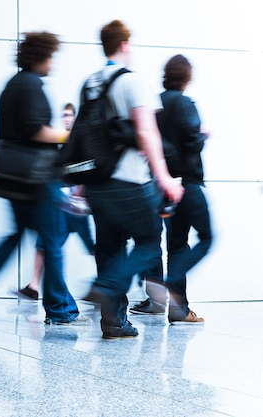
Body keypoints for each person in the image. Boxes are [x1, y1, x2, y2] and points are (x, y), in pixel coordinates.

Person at [0, 31, 88, 325]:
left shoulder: (13, 85)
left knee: (17, 236)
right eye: (51, 57)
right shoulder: (30, 85)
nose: (53, 64)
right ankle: (60, 310)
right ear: (41, 56)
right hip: (37, 180)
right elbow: (35, 130)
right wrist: (69, 136)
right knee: (53, 241)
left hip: (15, 179)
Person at [82, 20, 183, 339]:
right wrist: (164, 175)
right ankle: (107, 285)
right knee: (149, 239)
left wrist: (84, 180)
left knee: (108, 247)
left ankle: (113, 321)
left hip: (97, 181)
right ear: (125, 44)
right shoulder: (134, 81)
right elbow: (146, 131)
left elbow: (84, 135)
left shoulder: (90, 82)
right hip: (128, 180)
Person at [18, 103, 95, 301]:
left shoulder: (81, 140)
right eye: (64, 115)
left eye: (69, 115)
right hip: (63, 204)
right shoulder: (61, 141)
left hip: (77, 207)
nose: (66, 119)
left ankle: (107, 284)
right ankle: (34, 286)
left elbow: (88, 168)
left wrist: (79, 193)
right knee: (46, 244)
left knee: (91, 246)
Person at [159, 54, 211, 324]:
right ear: (187, 78)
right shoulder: (185, 103)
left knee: (176, 245)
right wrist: (203, 135)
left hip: (166, 187)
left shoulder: (157, 105)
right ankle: (171, 281)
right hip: (188, 184)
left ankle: (178, 309)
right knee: (207, 237)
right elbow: (192, 142)